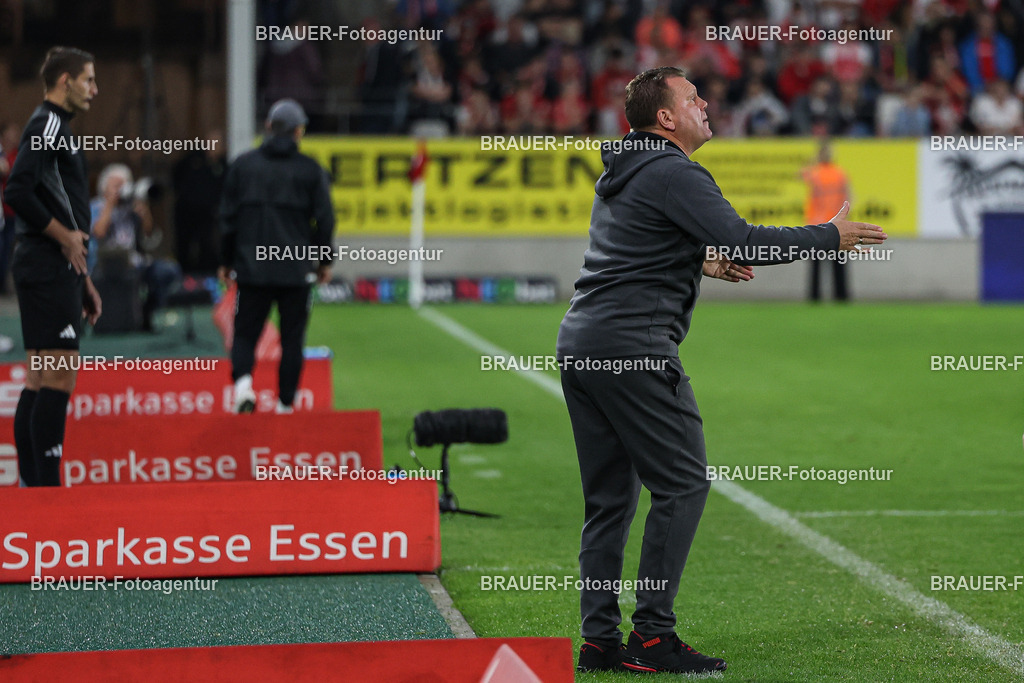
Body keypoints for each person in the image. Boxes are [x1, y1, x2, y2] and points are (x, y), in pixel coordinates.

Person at [556, 66, 886, 675]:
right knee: (682, 484)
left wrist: (697, 260)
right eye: (692, 97)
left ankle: (598, 640)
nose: (705, 103)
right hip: (634, 348)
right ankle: (652, 637)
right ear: (666, 117)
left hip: (584, 344)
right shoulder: (673, 170)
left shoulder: (623, 167)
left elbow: (635, 247)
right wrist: (827, 236)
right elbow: (745, 239)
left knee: (608, 502)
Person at [4, 47, 101, 487]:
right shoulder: (47, 124)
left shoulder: (57, 126)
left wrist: (83, 278)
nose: (95, 90)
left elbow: (56, 202)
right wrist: (64, 238)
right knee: (58, 380)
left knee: (40, 378)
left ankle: (33, 491)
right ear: (65, 80)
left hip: (52, 266)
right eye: (88, 80)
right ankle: (47, 491)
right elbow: (17, 190)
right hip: (45, 263)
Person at [219, 99, 334, 414]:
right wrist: (324, 260)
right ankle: (285, 404)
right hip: (296, 271)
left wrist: (226, 261)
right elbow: (325, 220)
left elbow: (227, 219)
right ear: (299, 132)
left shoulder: (243, 166)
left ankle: (244, 386)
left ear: (269, 127)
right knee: (292, 340)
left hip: (252, 268)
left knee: (245, 333)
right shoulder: (310, 170)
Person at [802, 141, 851, 301]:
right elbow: (848, 195)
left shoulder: (816, 172)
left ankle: (815, 296)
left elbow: (801, 174)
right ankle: (840, 296)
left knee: (819, 264)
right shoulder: (839, 173)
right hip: (832, 224)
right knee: (837, 262)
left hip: (820, 223)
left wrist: (814, 160)